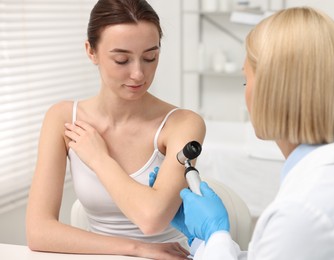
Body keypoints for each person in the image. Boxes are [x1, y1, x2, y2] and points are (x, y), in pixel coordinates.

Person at [173, 7, 334, 259]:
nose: (246, 94)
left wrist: (216, 236)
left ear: (273, 90)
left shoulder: (303, 209)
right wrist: (205, 242)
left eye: (246, 81)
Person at [26, 0, 205, 259]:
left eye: (150, 57)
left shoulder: (183, 123)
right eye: (122, 60)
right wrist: (137, 248)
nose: (138, 74)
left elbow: (152, 219)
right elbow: (39, 231)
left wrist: (99, 159)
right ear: (91, 51)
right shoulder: (63, 119)